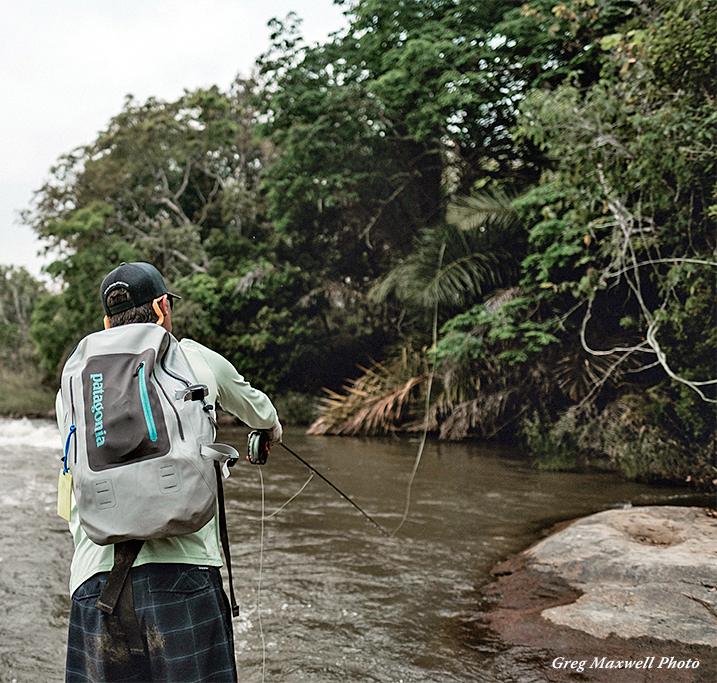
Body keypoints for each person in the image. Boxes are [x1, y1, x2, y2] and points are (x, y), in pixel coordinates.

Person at [58, 261, 282, 682]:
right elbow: (261, 411)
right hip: (182, 581)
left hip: (94, 587)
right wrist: (270, 431)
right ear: (163, 308)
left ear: (107, 322)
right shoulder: (194, 358)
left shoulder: (75, 380)